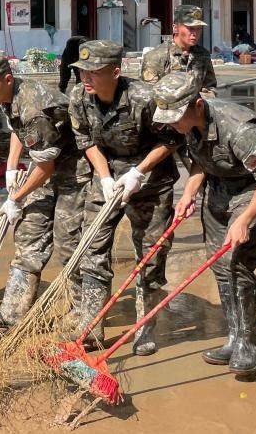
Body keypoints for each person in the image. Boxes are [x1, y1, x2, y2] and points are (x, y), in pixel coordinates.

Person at [153, 71, 256, 379]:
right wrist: (188, 194)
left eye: (176, 117)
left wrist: (245, 219)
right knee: (218, 264)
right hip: (220, 186)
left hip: (254, 189)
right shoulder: (188, 124)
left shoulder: (241, 130)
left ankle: (248, 346)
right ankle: (234, 338)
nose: (172, 124)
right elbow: (201, 162)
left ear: (198, 105)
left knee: (237, 263)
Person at [68, 40, 181, 353]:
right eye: (82, 71)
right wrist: (105, 177)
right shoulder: (79, 97)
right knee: (92, 245)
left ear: (115, 72)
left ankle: (145, 327)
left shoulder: (144, 98)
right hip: (107, 173)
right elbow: (86, 141)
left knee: (150, 254)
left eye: (94, 71)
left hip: (150, 179)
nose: (86, 77)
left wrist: (138, 173)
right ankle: (91, 329)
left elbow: (171, 139)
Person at [0, 49, 88, 327]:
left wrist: (15, 199)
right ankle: (12, 313)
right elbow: (17, 130)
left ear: (7, 79)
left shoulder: (34, 108)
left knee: (68, 242)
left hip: (74, 172)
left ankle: (81, 313)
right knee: (28, 233)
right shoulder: (8, 97)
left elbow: (46, 168)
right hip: (45, 164)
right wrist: (11, 166)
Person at [141, 4, 217, 92]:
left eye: (199, 28)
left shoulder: (203, 55)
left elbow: (210, 87)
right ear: (175, 28)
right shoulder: (156, 56)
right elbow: (148, 94)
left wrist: (202, 98)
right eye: (191, 28)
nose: (195, 33)